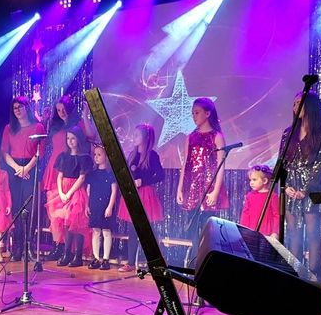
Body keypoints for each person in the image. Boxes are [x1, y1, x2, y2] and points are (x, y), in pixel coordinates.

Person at [280, 91, 321, 279]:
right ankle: (295, 275)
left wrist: (305, 189)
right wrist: (286, 186)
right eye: (294, 103)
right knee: (293, 234)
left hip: (312, 189)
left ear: (310, 105)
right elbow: (283, 162)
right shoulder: (288, 133)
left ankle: (314, 276)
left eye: (299, 103)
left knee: (312, 234)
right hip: (291, 189)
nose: (295, 107)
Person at [42, 95, 95, 261]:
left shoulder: (77, 125)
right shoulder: (55, 126)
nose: (61, 112)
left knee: (71, 213)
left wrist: (85, 115)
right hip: (56, 170)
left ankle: (69, 249)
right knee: (54, 212)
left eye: (64, 109)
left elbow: (91, 135)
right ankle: (58, 246)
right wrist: (45, 120)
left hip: (72, 171)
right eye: (58, 110)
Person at [176, 97, 229, 261]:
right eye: (193, 113)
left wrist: (215, 191)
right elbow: (185, 163)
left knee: (207, 228)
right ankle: (195, 261)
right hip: (191, 187)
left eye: (197, 112)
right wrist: (180, 188)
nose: (194, 116)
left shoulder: (216, 136)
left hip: (208, 187)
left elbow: (221, 165)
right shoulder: (190, 137)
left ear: (207, 113)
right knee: (193, 227)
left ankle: (206, 261)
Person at [0, 96, 45, 261]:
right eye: (15, 108)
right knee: (17, 208)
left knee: (29, 208)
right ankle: (17, 247)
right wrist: (18, 168)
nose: (17, 110)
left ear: (27, 107)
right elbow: (4, 152)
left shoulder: (38, 127)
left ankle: (28, 246)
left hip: (30, 168)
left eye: (20, 107)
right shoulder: (9, 128)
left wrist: (26, 168)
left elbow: (41, 152)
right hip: (15, 168)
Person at [117, 124, 165, 272]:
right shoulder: (132, 154)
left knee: (148, 231)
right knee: (132, 230)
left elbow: (160, 175)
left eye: (137, 135)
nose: (134, 137)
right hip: (133, 194)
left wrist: (143, 181)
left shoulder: (152, 155)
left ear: (146, 138)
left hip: (146, 195)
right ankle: (130, 263)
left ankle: (155, 263)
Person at [46, 126, 93, 268]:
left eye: (73, 138)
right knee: (65, 223)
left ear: (78, 139)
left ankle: (77, 256)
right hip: (63, 190)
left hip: (76, 191)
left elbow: (82, 178)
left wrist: (69, 193)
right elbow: (59, 176)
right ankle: (67, 253)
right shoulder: (63, 156)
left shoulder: (84, 158)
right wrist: (61, 193)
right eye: (68, 138)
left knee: (76, 222)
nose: (70, 141)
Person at [86, 145, 118, 270]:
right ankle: (96, 258)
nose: (96, 157)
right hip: (94, 205)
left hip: (105, 205)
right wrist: (87, 205)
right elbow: (88, 191)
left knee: (106, 231)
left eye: (99, 155)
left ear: (106, 156)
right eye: (95, 154)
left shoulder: (110, 174)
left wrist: (110, 207)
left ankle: (105, 258)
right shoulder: (92, 174)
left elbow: (114, 191)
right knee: (96, 231)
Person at [239, 165, 279, 238]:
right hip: (251, 232)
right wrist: (243, 229)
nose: (251, 183)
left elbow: (276, 215)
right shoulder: (249, 196)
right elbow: (245, 214)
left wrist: (275, 232)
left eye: (254, 180)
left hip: (267, 233)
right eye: (250, 180)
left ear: (265, 181)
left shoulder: (272, 196)